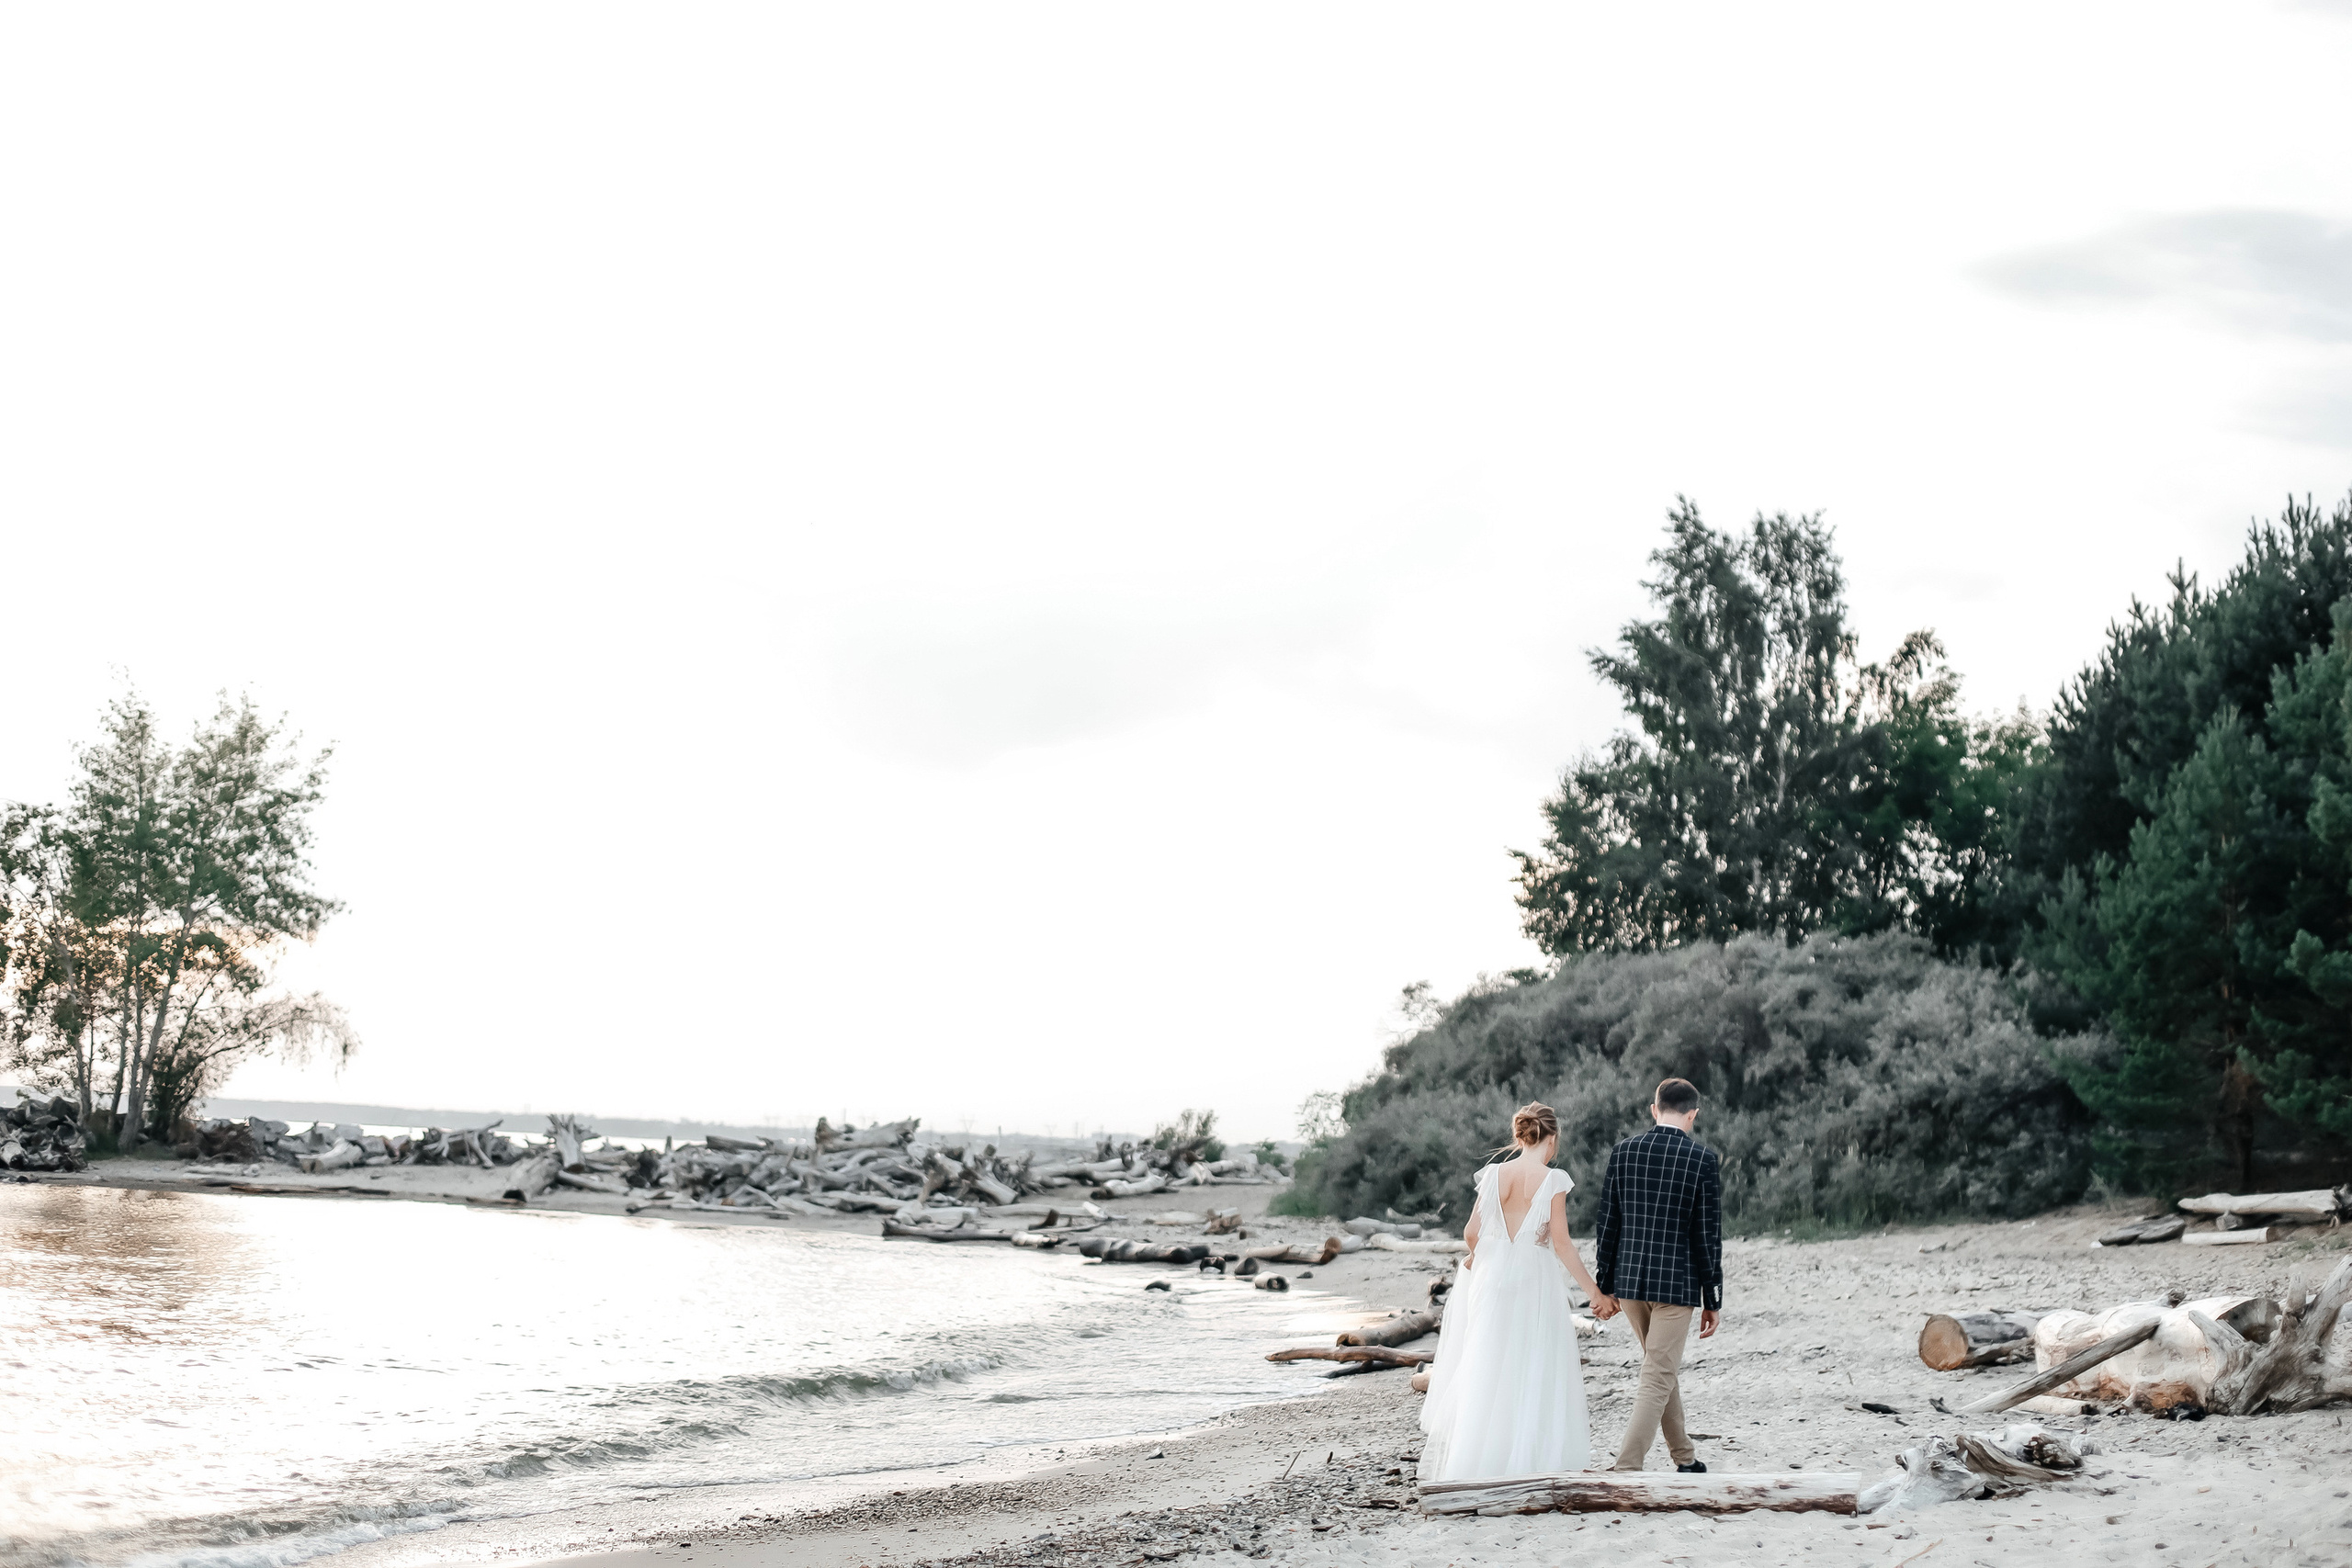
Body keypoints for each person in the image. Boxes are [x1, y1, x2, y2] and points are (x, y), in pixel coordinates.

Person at [1417, 1100, 1619, 1482]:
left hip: (1492, 1277)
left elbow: (1471, 1232)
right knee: (1534, 1364)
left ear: (1522, 1135)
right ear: (1552, 1138)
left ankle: (1478, 1464)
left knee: (1489, 1362)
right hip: (1533, 1279)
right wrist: (1595, 1293)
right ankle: (1530, 1463)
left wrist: (1479, 1257)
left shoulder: (1494, 1174)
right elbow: (1562, 1244)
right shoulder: (1553, 1180)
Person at [1591, 1076, 1724, 1473]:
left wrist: (1605, 1283)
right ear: (1693, 1114)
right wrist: (1712, 1298)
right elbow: (1707, 1236)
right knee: (1657, 1375)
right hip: (1677, 1285)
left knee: (1659, 1370)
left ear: (1655, 1109)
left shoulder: (1623, 1152)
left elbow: (1608, 1224)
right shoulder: (1702, 1159)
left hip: (1630, 1282)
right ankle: (1627, 1468)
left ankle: (1685, 1457)